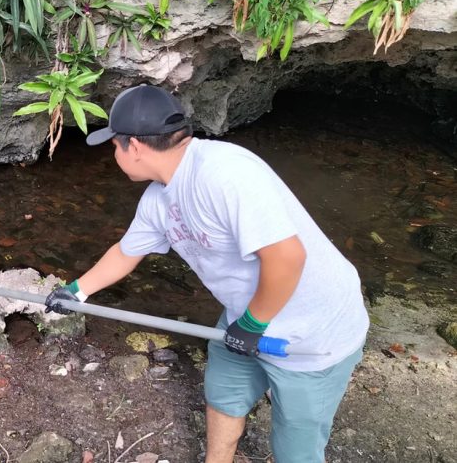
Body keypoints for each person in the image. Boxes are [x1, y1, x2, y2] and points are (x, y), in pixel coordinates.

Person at [44, 84, 369, 463]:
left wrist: (252, 324)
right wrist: (76, 292)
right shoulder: (158, 199)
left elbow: (287, 257)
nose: (114, 154)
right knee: (224, 397)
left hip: (314, 334)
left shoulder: (224, 172)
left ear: (134, 146)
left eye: (115, 145)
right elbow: (125, 252)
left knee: (295, 448)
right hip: (244, 321)